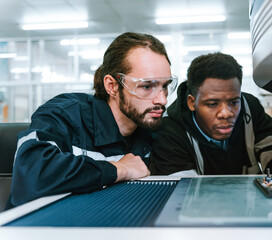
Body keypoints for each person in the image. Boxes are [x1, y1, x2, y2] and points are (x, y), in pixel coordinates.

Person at [7, 32, 178, 208]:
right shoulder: (63, 114)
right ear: (112, 86)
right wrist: (119, 168)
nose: (162, 100)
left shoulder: (149, 128)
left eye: (164, 86)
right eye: (147, 86)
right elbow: (31, 174)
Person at [150, 52, 272, 176]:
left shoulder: (249, 107)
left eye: (233, 102)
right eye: (212, 104)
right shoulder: (169, 131)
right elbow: (184, 194)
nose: (226, 113)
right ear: (191, 102)